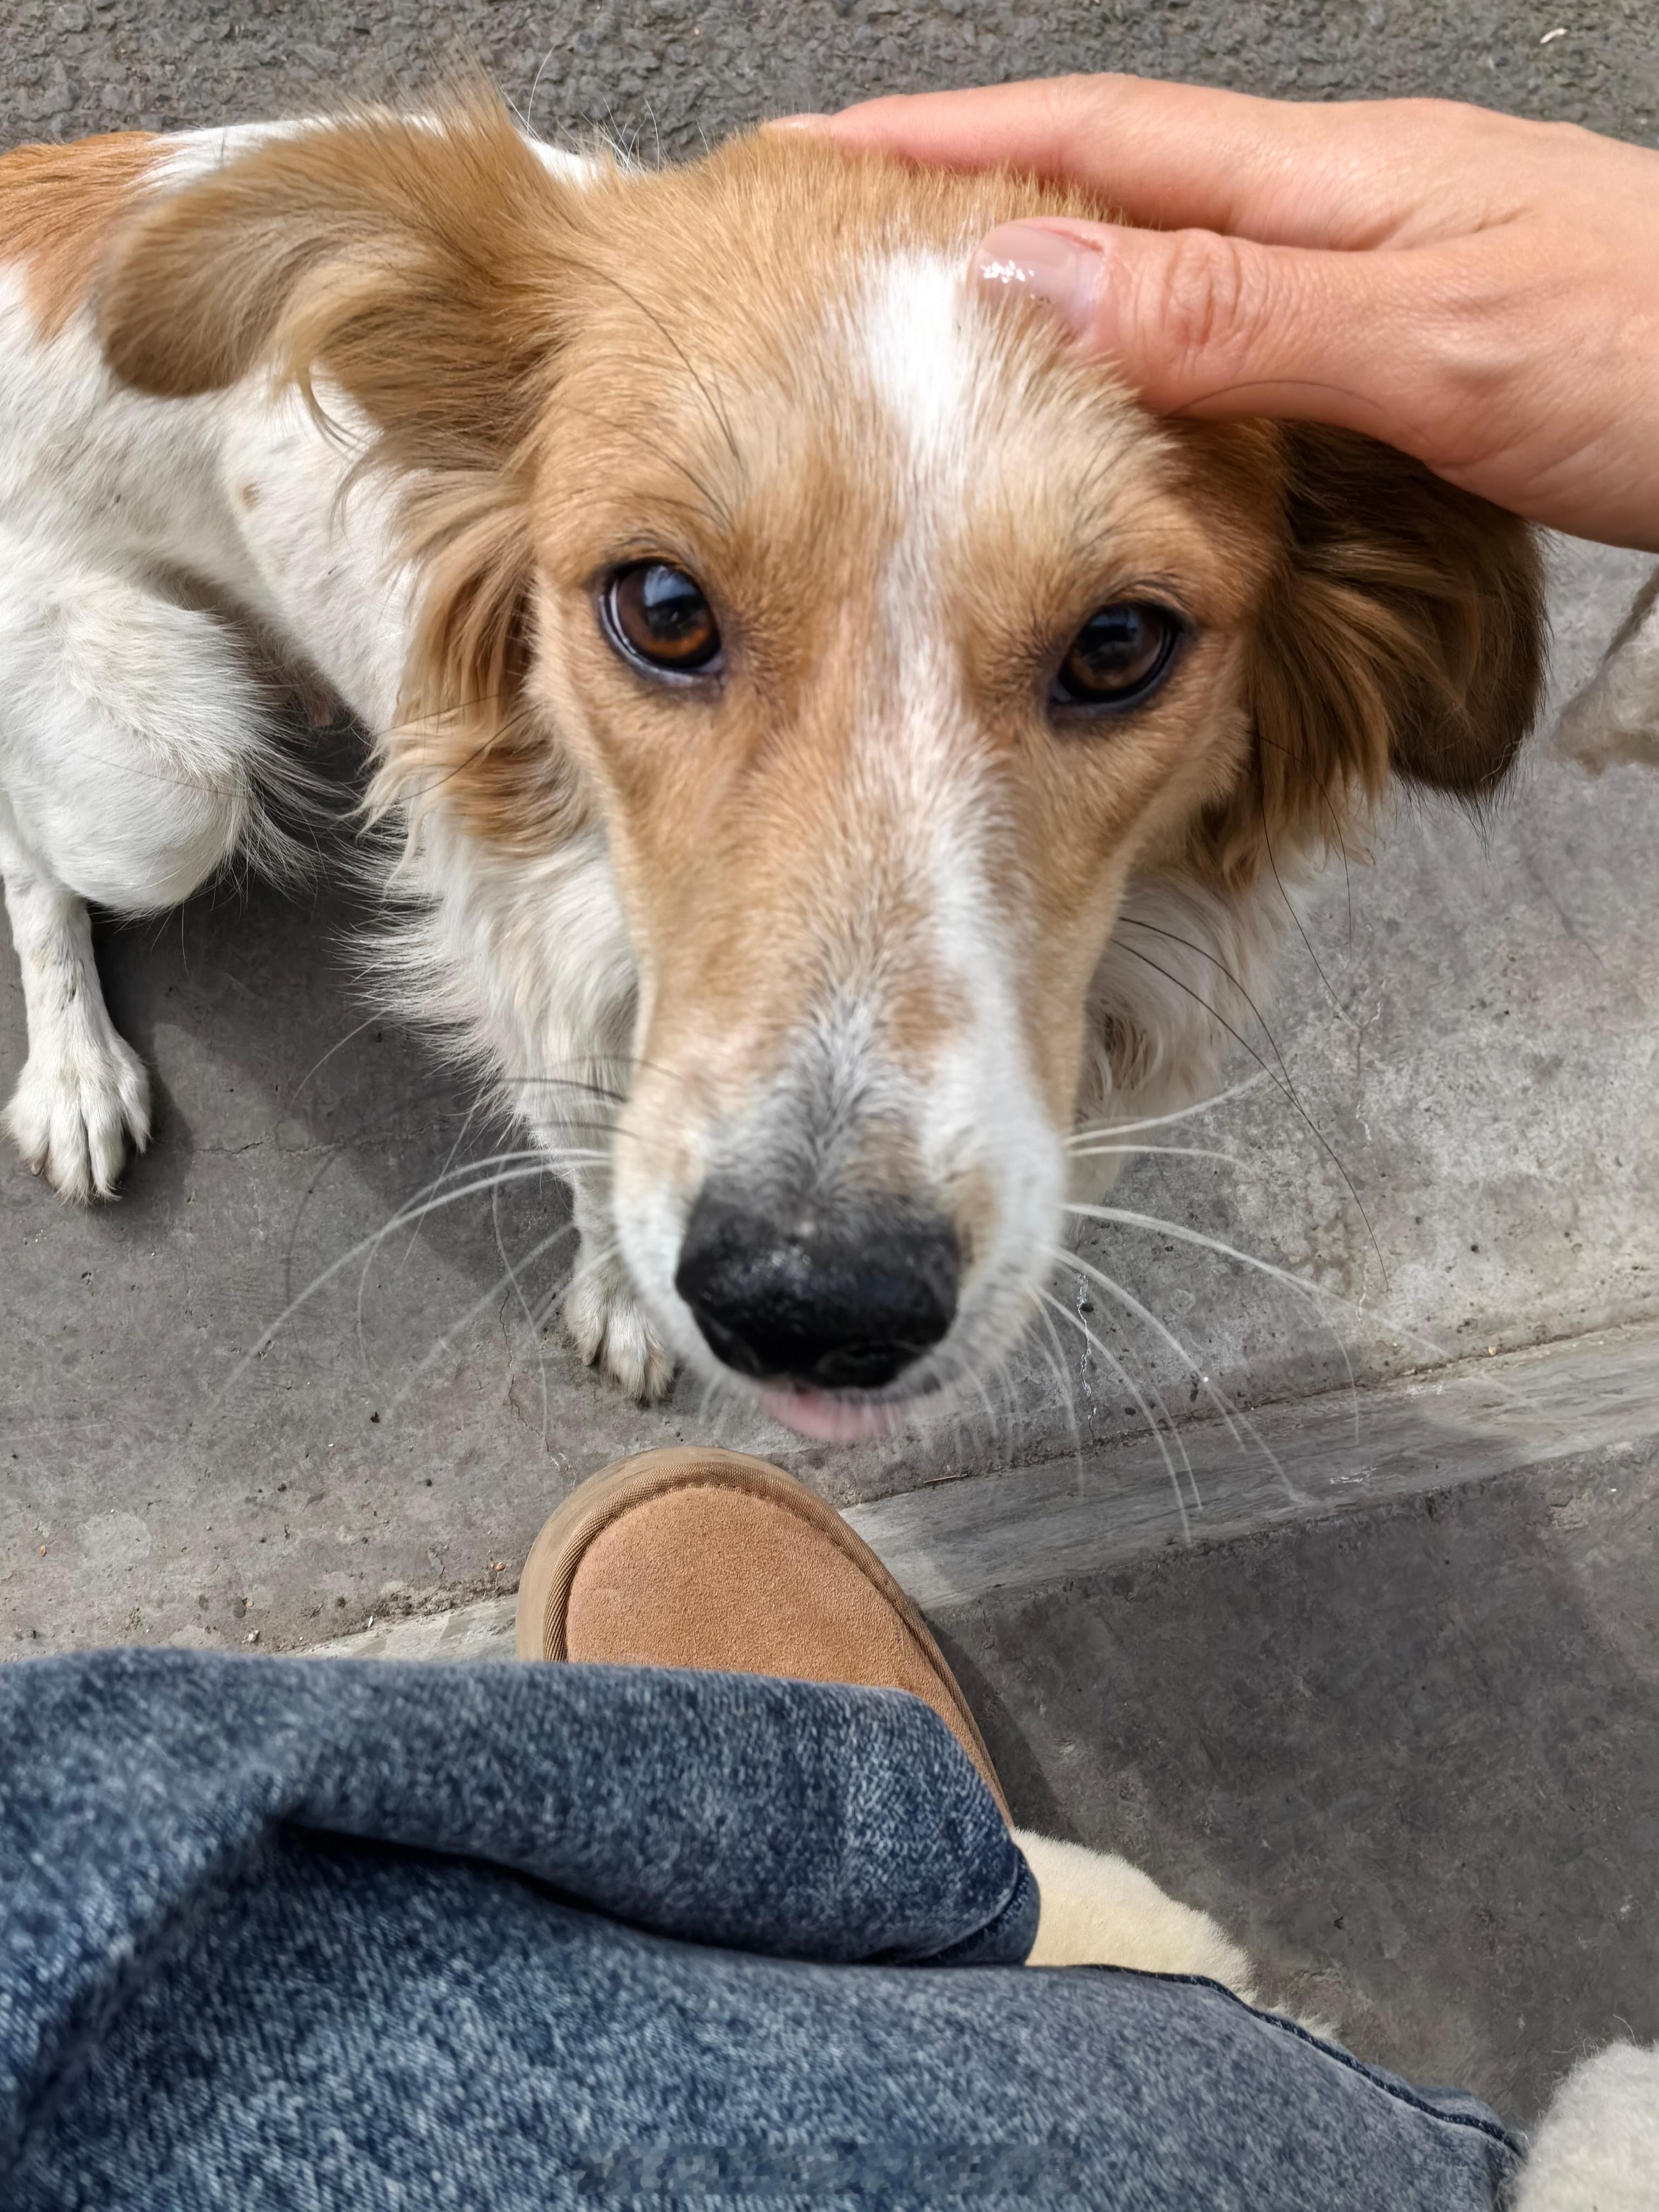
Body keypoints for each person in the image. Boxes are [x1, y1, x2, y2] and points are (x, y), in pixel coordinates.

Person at [5, 77, 1656, 2212]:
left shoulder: (1290, 599)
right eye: (672, 619)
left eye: (1110, 649)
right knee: (147, 825)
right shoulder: (520, 385)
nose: (809, 1219)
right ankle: (38, 909)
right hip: (65, 525)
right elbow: (156, 332)